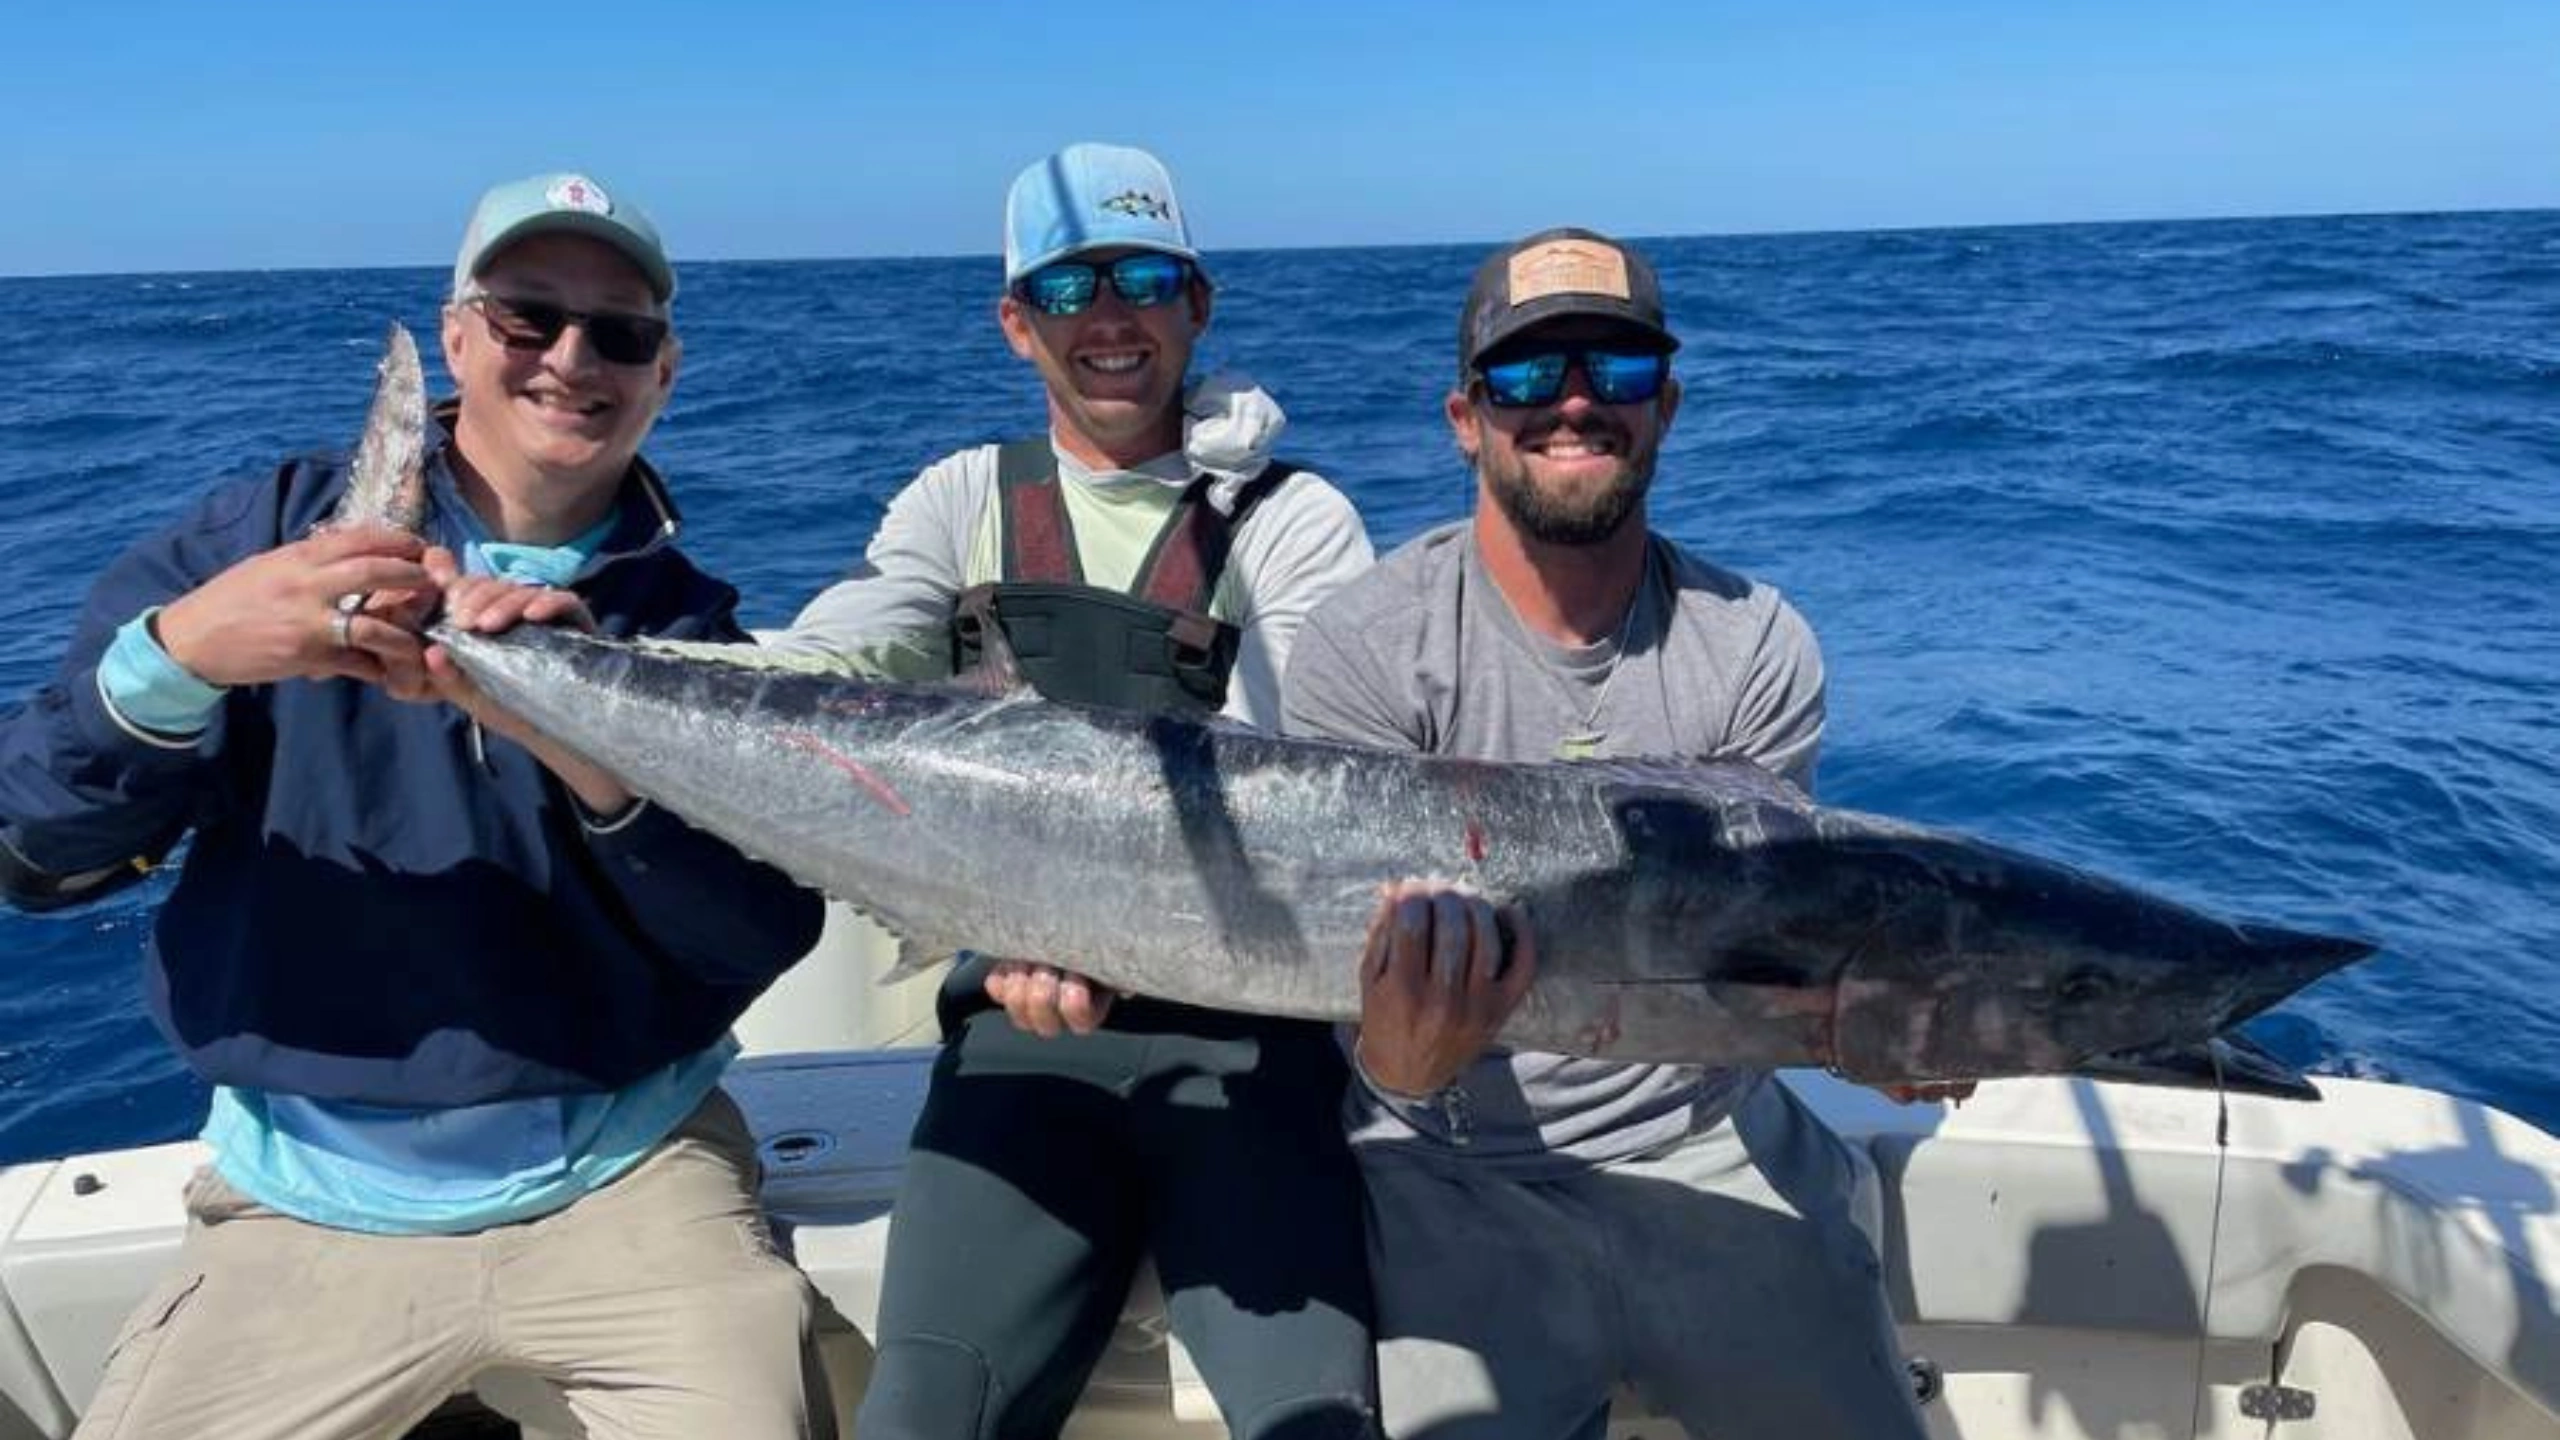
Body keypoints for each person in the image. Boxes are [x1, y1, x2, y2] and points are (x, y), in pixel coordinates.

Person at [0, 173, 835, 1440]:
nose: (572, 358)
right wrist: (179, 658)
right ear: (456, 337)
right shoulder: (259, 546)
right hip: (303, 1202)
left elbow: (759, 934)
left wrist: (582, 743)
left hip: (634, 1176)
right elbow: (34, 846)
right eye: (528, 317)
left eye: (619, 333)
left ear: (663, 372)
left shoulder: (683, 627)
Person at [762, 142, 1380, 1439]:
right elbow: (823, 676)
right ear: (1015, 323)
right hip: (1015, 1041)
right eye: (1065, 288)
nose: (1108, 316)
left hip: (1250, 1046)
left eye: (1143, 279)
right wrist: (578, 656)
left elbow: (1327, 766)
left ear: (1196, 304)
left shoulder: (1291, 518)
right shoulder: (961, 500)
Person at [1283, 228, 1936, 1440]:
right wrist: (1402, 1064)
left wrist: (1865, 1028)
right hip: (1444, 1165)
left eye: (1617, 370)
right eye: (1528, 374)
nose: (1575, 401)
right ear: (1465, 418)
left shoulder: (1755, 644)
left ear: (1665, 407)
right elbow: (1376, 1032)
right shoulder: (1363, 647)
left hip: (1705, 1139)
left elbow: (1762, 961)